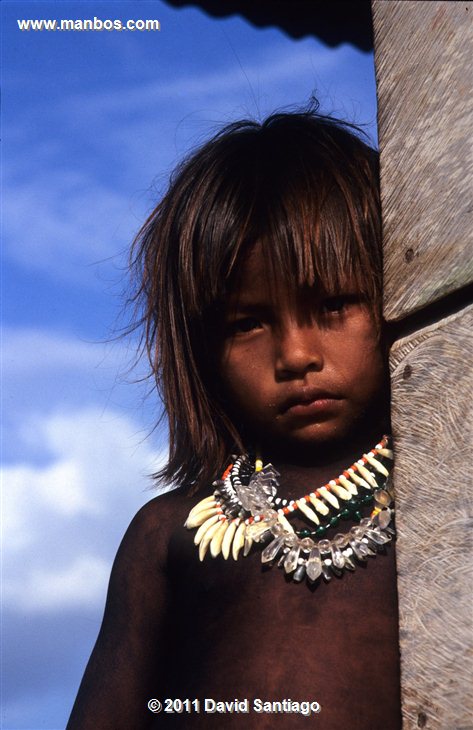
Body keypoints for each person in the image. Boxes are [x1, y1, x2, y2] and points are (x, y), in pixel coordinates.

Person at [67, 107, 402, 729]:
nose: (297, 356)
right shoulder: (168, 533)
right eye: (247, 323)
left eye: (333, 304)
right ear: (200, 349)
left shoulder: (444, 496)